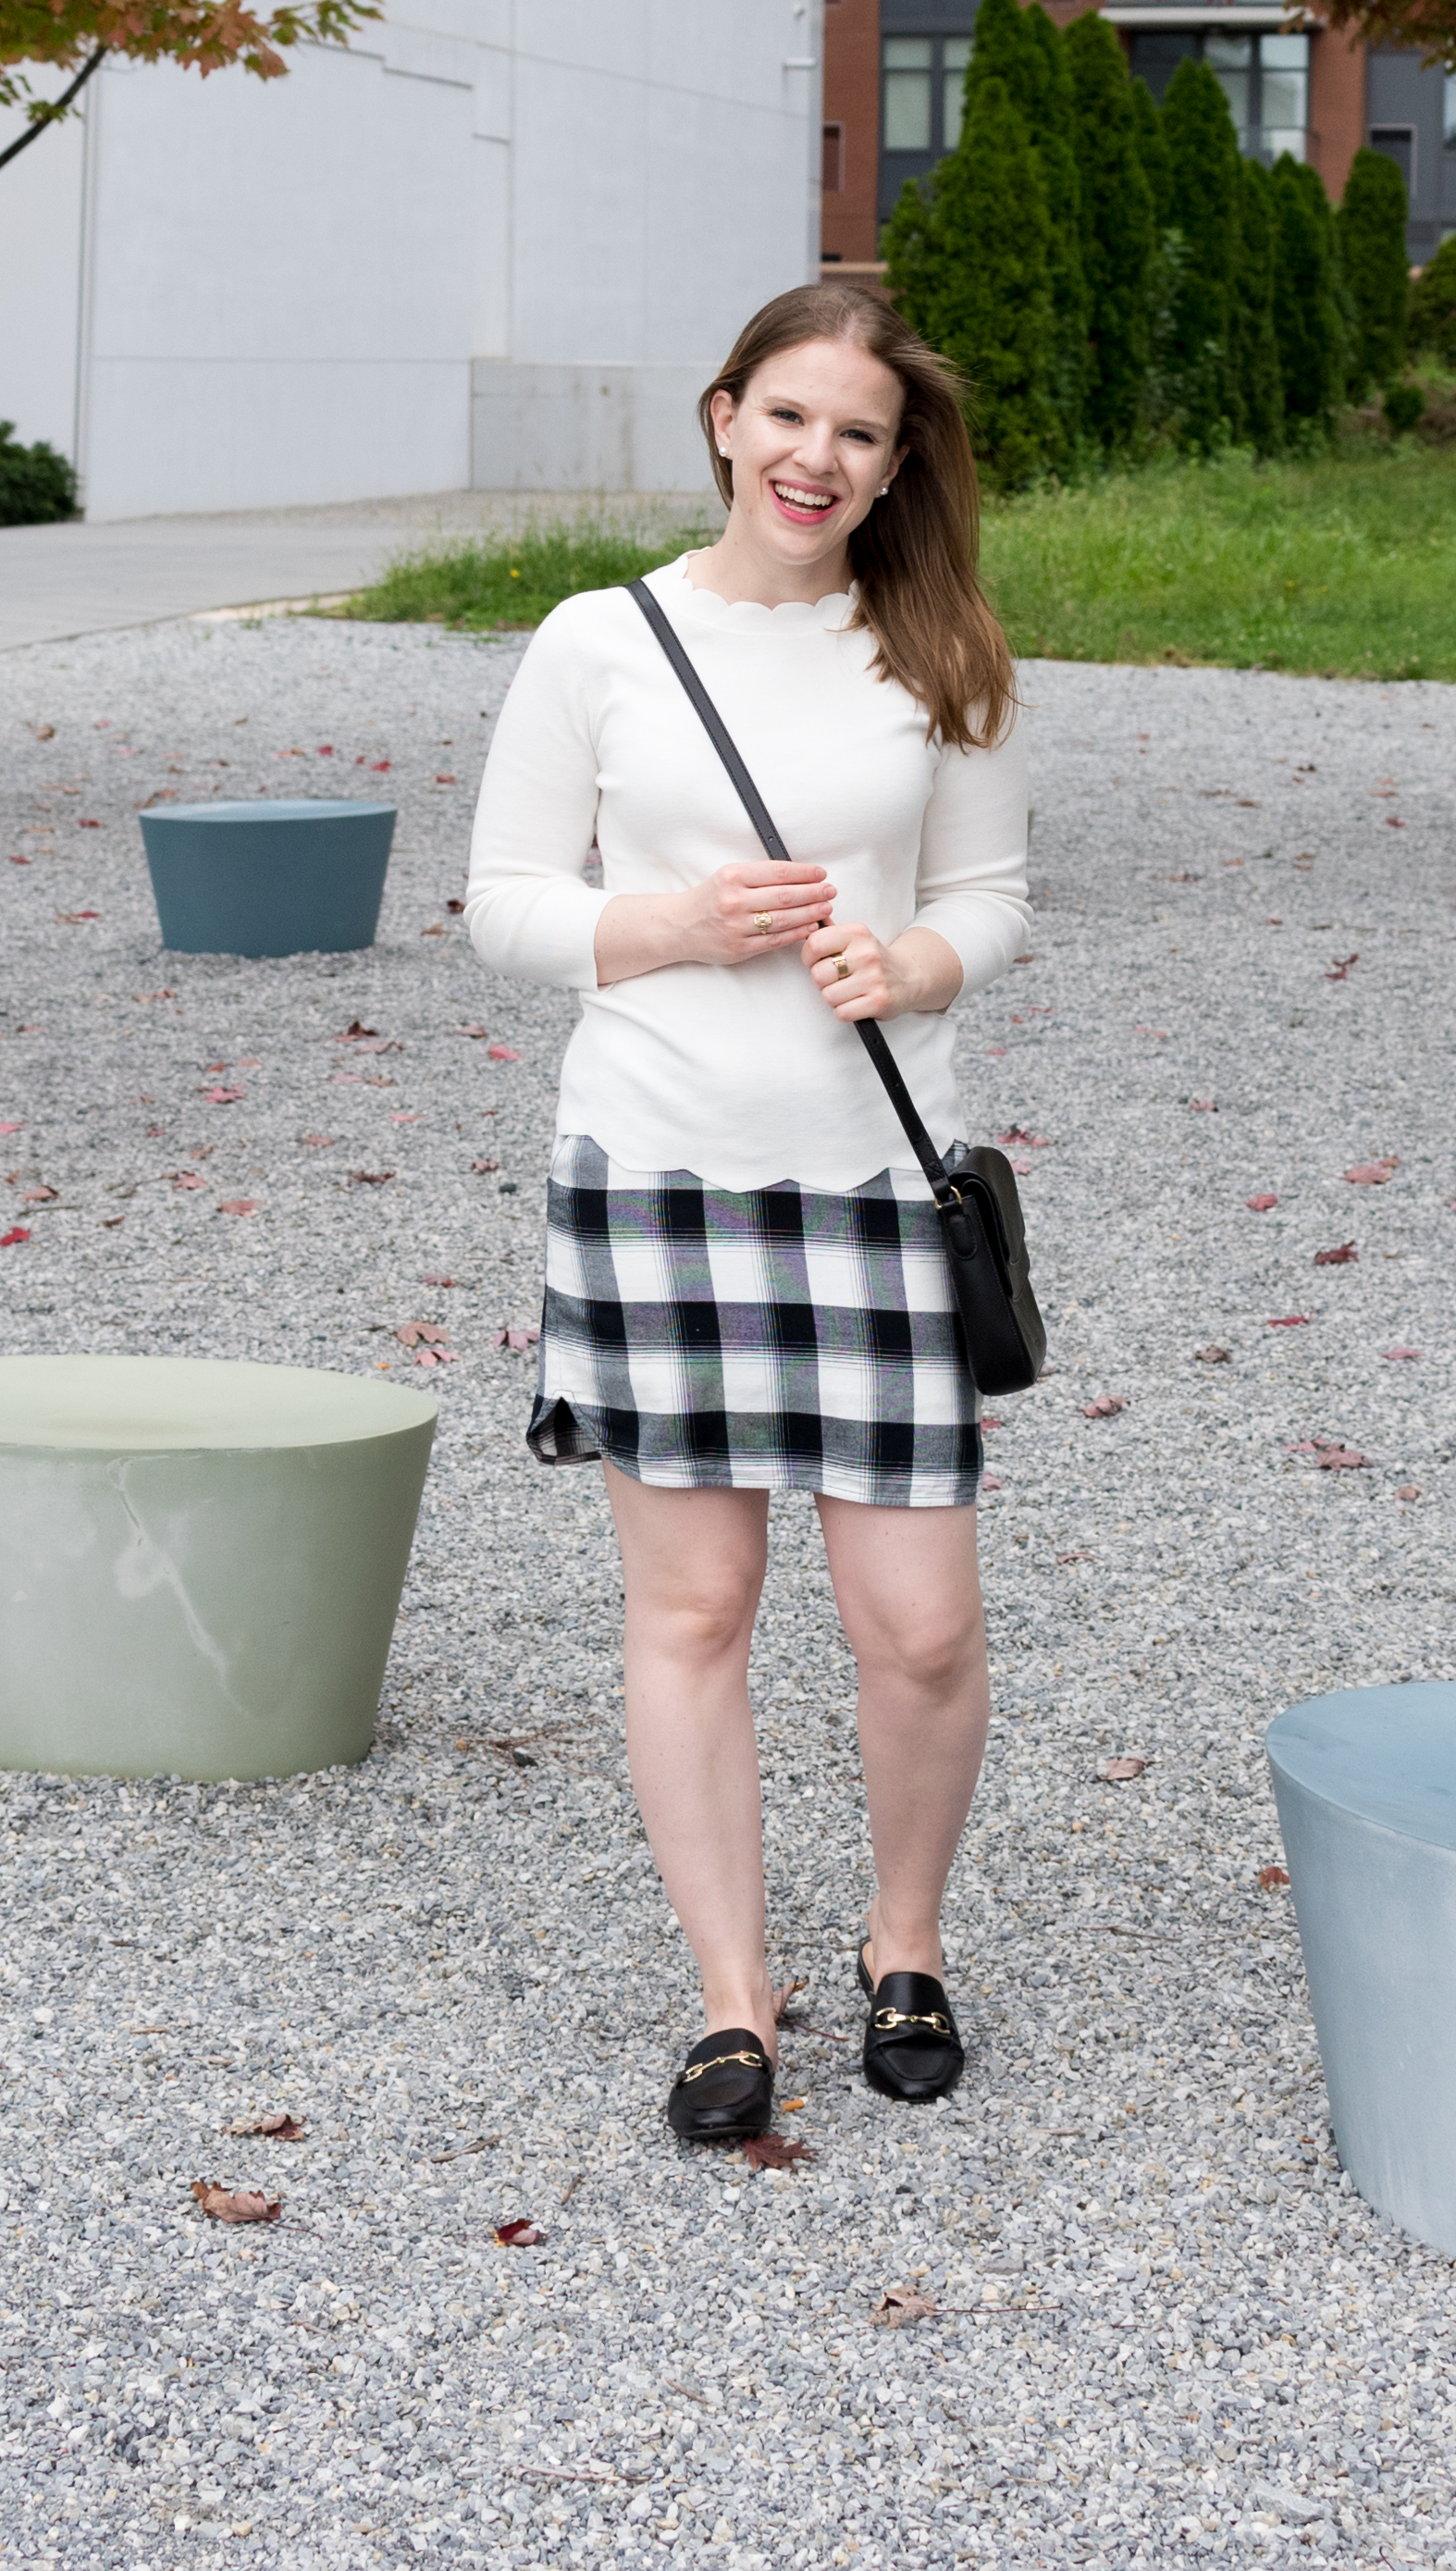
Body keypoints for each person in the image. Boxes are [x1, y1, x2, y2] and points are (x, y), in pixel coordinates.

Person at [464, 283, 1030, 2143]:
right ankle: (732, 1994)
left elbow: (993, 899)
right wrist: (669, 928)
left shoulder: (931, 646)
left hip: (873, 1184)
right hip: (660, 1182)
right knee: (693, 1608)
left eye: (857, 433)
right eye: (788, 417)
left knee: (920, 1624)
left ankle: (904, 1940)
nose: (816, 458)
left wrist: (917, 960)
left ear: (894, 463)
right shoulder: (600, 640)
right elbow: (505, 899)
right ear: (723, 417)